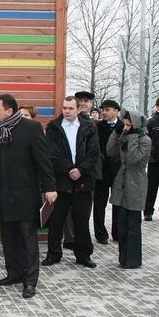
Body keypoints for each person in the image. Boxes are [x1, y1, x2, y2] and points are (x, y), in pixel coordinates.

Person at [0, 94, 56, 298]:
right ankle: (14, 273)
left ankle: (30, 281)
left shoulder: (31, 128)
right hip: (2, 193)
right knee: (8, 238)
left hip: (25, 194)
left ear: (9, 111)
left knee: (27, 240)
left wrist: (50, 187)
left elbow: (43, 160)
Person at [44, 96, 101, 268]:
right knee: (56, 220)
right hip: (61, 180)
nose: (67, 111)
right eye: (64, 108)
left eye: (70, 108)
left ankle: (83, 255)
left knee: (81, 221)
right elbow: (51, 154)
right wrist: (69, 169)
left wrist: (80, 170)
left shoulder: (89, 127)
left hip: (83, 180)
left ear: (78, 109)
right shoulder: (54, 127)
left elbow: (93, 152)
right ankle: (53, 254)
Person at [107, 109, 151, 269]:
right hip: (122, 180)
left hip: (136, 182)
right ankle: (123, 257)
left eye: (128, 125)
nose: (125, 128)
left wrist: (132, 137)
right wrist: (116, 133)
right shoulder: (125, 135)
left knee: (133, 225)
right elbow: (110, 151)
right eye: (124, 124)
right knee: (122, 223)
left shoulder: (145, 140)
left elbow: (133, 159)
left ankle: (132, 260)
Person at [93, 99, 121, 245]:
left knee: (118, 203)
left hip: (118, 171)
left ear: (116, 111)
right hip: (102, 171)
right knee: (99, 203)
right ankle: (100, 234)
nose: (104, 112)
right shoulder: (97, 127)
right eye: (102, 109)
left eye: (107, 109)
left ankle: (117, 232)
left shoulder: (123, 126)